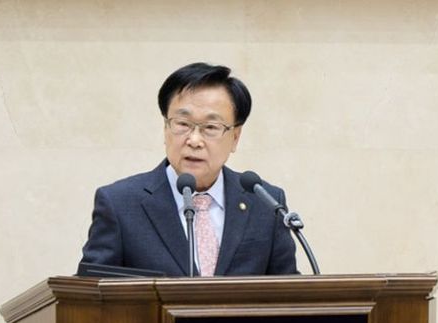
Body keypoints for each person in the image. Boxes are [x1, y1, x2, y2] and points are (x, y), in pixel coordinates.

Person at [77, 62, 297, 277]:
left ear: (235, 138)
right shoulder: (120, 203)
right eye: (182, 124)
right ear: (166, 128)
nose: (194, 140)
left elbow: (289, 291)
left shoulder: (266, 203)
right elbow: (91, 290)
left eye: (211, 127)